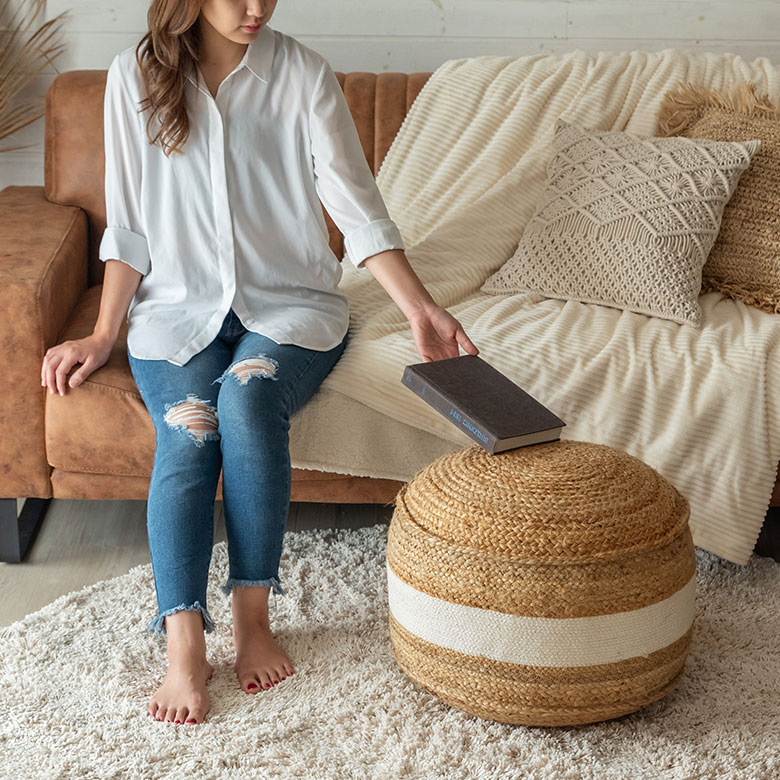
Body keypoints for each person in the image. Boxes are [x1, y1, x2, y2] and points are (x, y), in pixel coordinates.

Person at [39, 0, 479, 727]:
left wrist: (419, 310)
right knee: (190, 428)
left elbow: (354, 202)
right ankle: (182, 645)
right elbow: (130, 228)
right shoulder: (134, 77)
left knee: (245, 399)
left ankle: (252, 619)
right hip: (176, 313)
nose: (256, 9)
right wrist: (101, 332)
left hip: (290, 306)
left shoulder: (301, 74)